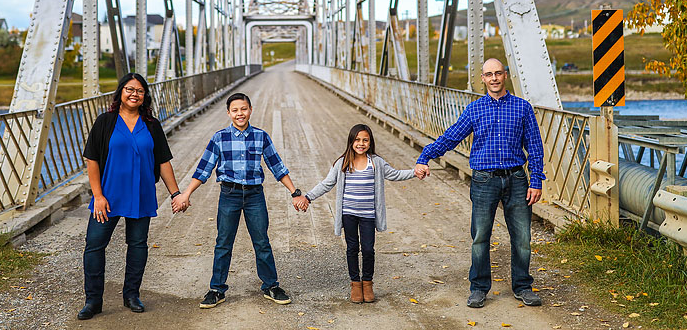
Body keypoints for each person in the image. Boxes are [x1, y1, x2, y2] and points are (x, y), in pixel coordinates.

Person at [413, 58, 545, 309]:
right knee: (480, 237)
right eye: (488, 75)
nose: (494, 78)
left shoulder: (523, 108)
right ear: (482, 79)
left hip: (517, 178)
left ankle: (523, 287)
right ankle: (479, 288)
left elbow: (535, 147)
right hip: (484, 181)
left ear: (505, 76)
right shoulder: (474, 109)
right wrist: (426, 155)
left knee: (522, 238)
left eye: (498, 73)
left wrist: (536, 180)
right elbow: (451, 137)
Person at [176, 92, 302, 309]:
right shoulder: (219, 138)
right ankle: (217, 289)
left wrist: (294, 192)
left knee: (261, 241)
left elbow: (277, 166)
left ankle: (271, 286)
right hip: (229, 195)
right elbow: (203, 169)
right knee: (223, 243)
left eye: (243, 109)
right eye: (235, 110)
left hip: (255, 196)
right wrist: (186, 194)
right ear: (228, 113)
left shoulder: (261, 136)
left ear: (250, 110)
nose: (239, 114)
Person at [77, 72, 187, 320]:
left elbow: (163, 162)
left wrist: (176, 193)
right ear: (120, 92)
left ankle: (131, 295)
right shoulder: (105, 121)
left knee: (137, 246)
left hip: (141, 194)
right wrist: (98, 196)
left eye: (139, 91)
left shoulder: (152, 125)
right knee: (94, 246)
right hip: (107, 197)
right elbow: (92, 159)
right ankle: (93, 301)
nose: (134, 94)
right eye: (129, 89)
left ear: (144, 96)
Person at [300, 123, 421, 304]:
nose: (361, 143)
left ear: (370, 142)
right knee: (352, 248)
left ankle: (367, 283)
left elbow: (395, 174)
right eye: (357, 140)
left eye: (365, 140)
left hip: (368, 215)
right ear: (351, 141)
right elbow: (327, 184)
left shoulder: (376, 163)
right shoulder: (343, 163)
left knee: (368, 249)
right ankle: (355, 284)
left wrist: (415, 172)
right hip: (348, 214)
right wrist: (308, 197)